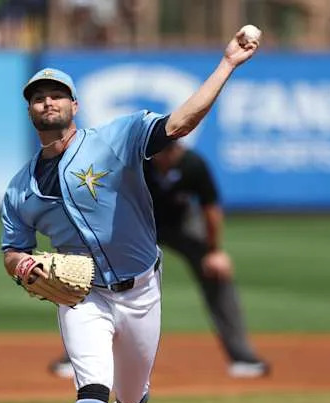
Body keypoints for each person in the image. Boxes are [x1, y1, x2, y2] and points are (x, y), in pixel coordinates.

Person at [0, 29, 260, 403]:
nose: (47, 101)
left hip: (141, 288)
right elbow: (12, 249)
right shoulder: (20, 189)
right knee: (92, 384)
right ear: (30, 110)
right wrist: (24, 266)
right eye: (38, 97)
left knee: (134, 394)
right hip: (83, 296)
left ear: (74, 105)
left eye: (56, 94)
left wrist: (226, 64)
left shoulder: (116, 138)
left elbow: (179, 123)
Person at [49, 140, 269, 379]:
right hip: (137, 223)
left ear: (178, 149)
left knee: (217, 272)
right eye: (157, 152)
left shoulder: (193, 165)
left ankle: (243, 357)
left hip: (180, 224)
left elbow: (210, 209)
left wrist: (214, 251)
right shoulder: (137, 165)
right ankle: (76, 356)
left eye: (168, 151)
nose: (162, 157)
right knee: (101, 276)